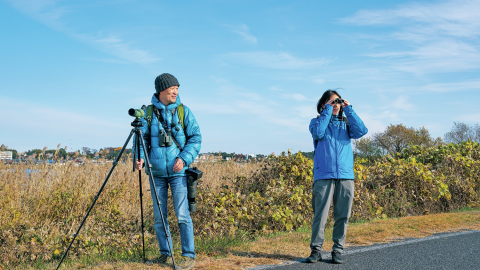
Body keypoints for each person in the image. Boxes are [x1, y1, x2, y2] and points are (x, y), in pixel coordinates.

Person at [134, 73, 201, 269]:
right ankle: (165, 254)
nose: (175, 91)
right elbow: (141, 140)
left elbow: (196, 138)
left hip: (179, 173)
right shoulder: (147, 113)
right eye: (172, 88)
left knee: (182, 215)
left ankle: (188, 254)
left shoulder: (183, 111)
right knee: (159, 217)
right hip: (156, 174)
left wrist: (183, 158)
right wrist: (139, 158)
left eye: (177, 88)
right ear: (161, 90)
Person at [306, 89, 368, 264]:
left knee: (343, 215)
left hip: (345, 175)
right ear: (324, 105)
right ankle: (316, 250)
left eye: (338, 102)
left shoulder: (346, 125)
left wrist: (349, 109)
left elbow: (362, 131)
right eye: (332, 102)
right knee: (321, 215)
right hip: (324, 175)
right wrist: (327, 110)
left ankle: (337, 250)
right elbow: (318, 133)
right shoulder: (317, 122)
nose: (336, 105)